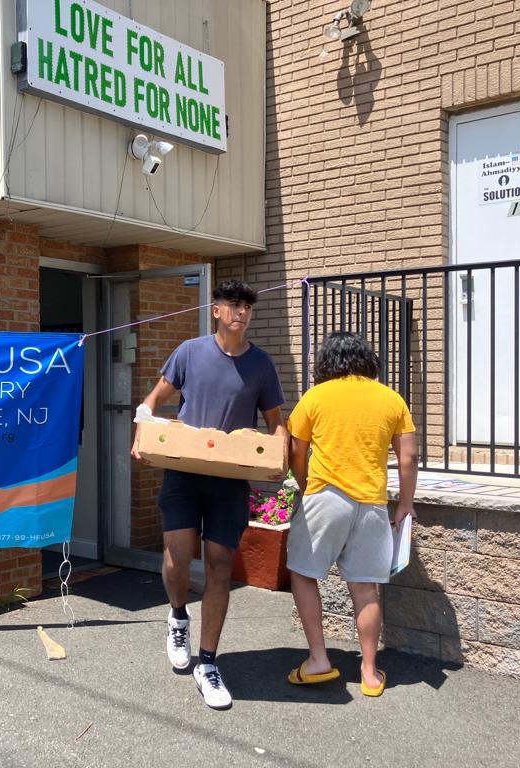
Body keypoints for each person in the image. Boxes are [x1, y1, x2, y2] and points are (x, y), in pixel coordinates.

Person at [131, 279, 287, 710]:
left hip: (229, 480)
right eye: (234, 305)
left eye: (247, 307)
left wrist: (280, 454)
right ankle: (178, 615)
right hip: (183, 474)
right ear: (216, 310)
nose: (242, 313)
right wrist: (143, 430)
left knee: (219, 568)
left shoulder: (261, 364)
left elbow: (275, 421)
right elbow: (153, 400)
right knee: (176, 559)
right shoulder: (190, 352)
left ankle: (209, 663)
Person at [285, 331, 417, 697]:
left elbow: (296, 451)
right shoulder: (391, 399)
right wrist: (405, 504)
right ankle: (370, 673)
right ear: (367, 359)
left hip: (325, 496)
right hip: (372, 504)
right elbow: (408, 457)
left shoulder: (315, 397)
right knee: (365, 588)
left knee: (302, 573)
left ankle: (318, 659)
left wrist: (305, 484)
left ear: (327, 361)